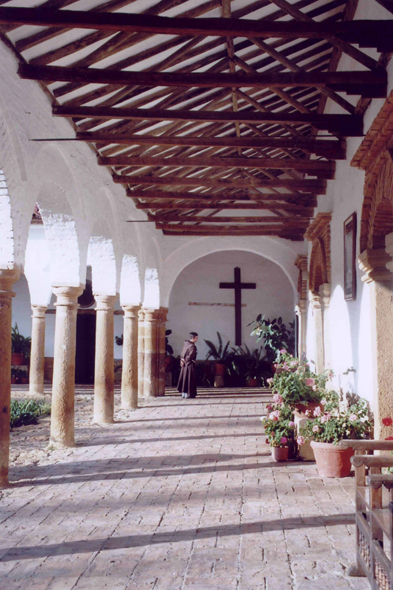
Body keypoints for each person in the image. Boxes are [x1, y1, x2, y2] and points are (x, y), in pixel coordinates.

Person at [177, 332, 198, 399]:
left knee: (184, 379)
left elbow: (182, 354)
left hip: (184, 365)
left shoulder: (186, 344)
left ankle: (184, 393)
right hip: (189, 365)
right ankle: (189, 394)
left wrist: (182, 361)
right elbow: (190, 356)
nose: (197, 339)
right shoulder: (192, 346)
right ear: (193, 338)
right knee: (189, 379)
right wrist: (186, 361)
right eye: (196, 338)